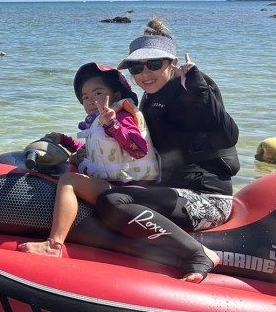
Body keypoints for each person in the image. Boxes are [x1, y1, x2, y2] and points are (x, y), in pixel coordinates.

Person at [95, 18, 240, 283]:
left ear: (172, 64)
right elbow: (138, 148)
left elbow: (228, 135)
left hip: (207, 199)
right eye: (136, 67)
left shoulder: (192, 89)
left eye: (154, 64)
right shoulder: (151, 98)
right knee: (108, 193)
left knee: (112, 202)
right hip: (175, 191)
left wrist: (201, 93)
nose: (145, 73)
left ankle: (199, 254)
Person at [19, 62, 159, 257]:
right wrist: (65, 140)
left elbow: (139, 149)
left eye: (98, 93)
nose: (91, 100)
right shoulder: (101, 121)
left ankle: (54, 245)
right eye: (85, 97)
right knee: (74, 163)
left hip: (132, 188)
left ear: (116, 95)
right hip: (117, 183)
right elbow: (93, 152)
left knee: (69, 181)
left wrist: (112, 124)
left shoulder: (121, 116)